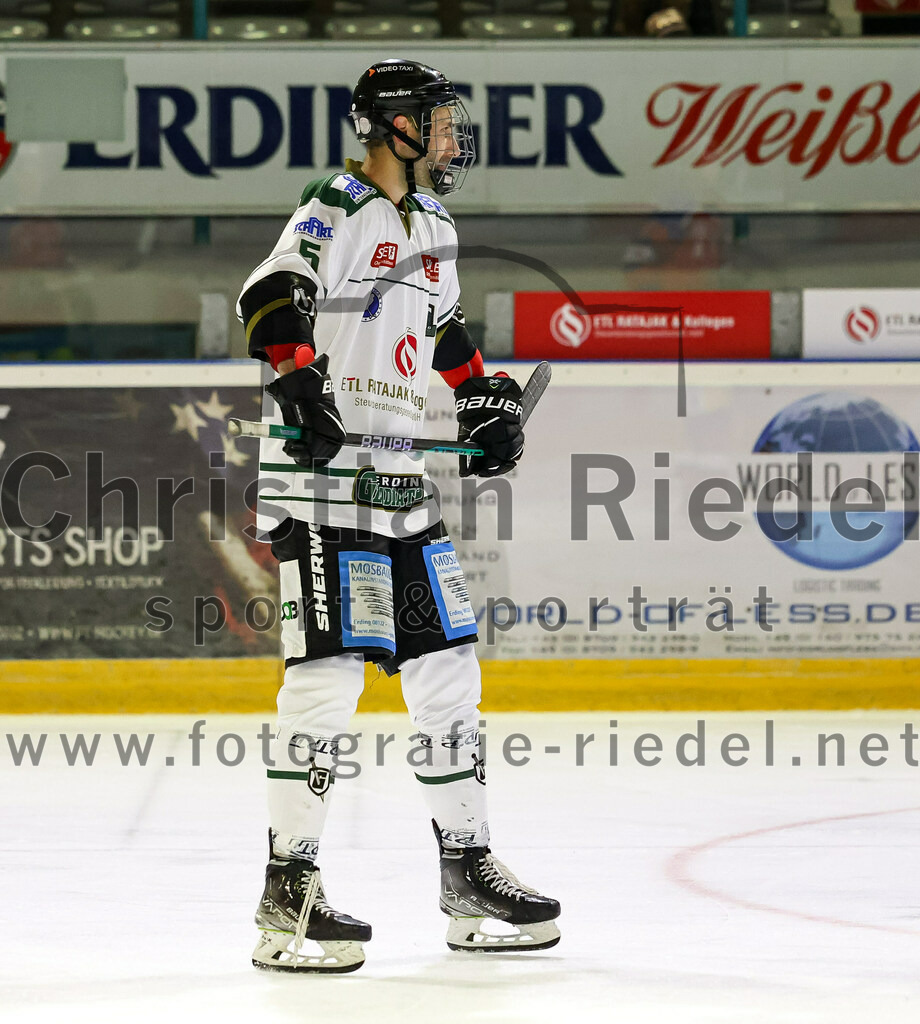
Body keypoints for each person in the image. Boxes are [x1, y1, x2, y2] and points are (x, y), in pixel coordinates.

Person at [236, 58, 560, 974]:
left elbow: (444, 333)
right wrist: (298, 378)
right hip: (321, 481)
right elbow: (271, 295)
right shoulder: (335, 204)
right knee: (328, 679)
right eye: (440, 120)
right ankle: (287, 892)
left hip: (399, 484)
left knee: (449, 669)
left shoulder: (438, 227)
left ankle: (467, 873)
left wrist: (481, 401)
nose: (453, 136)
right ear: (395, 126)